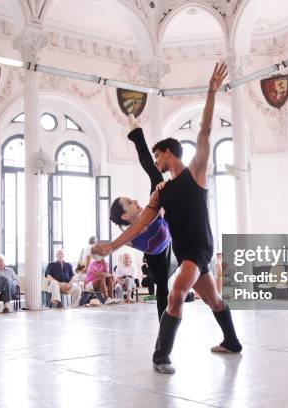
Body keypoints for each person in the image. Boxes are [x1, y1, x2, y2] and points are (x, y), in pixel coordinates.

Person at [95, 63, 241, 374]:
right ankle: (232, 342)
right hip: (187, 252)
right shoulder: (160, 191)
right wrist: (113, 245)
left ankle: (160, 356)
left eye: (158, 155)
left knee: (176, 296)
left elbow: (204, 131)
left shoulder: (196, 174)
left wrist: (212, 92)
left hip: (197, 249)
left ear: (167, 153)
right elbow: (140, 224)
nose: (156, 161)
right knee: (214, 301)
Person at [108, 113, 174, 319]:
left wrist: (163, 194)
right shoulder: (129, 239)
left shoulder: (151, 207)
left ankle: (137, 134)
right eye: (129, 203)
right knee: (162, 287)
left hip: (174, 247)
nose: (135, 201)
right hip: (158, 259)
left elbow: (150, 168)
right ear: (126, 216)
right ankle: (164, 328)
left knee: (155, 175)